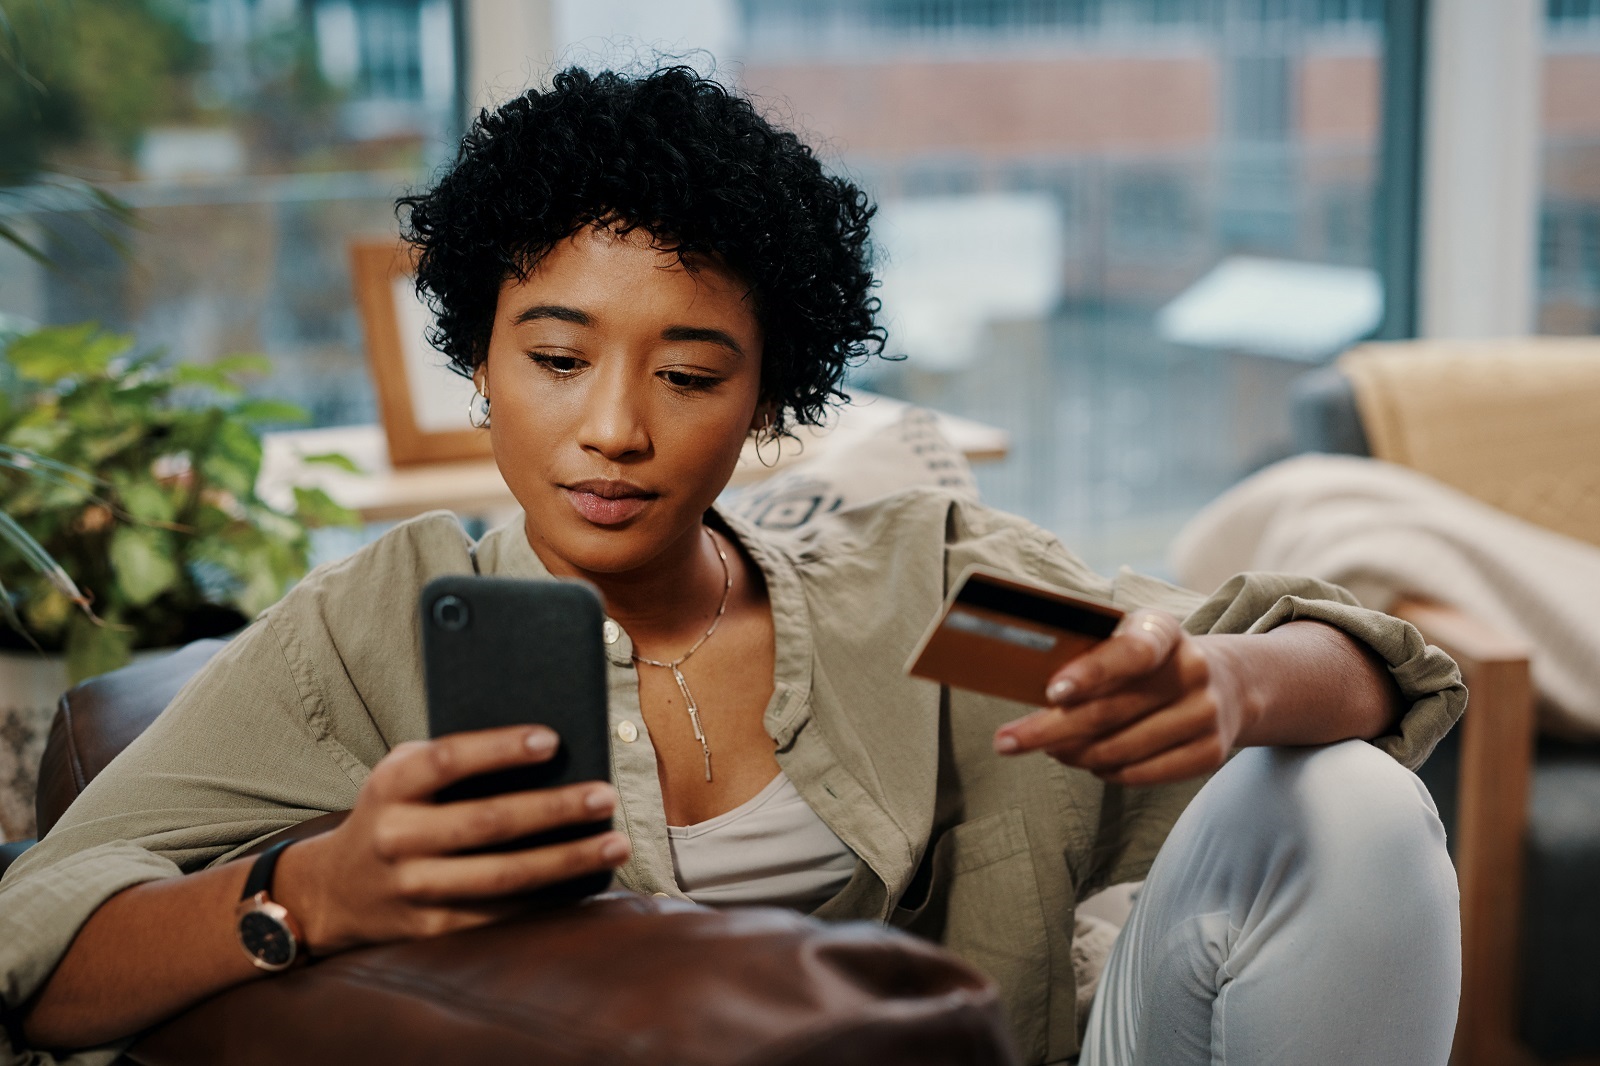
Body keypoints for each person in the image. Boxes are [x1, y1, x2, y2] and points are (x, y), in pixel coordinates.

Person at [0, 67, 1463, 1066]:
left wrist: (1223, 681)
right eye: (557, 358)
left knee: (1343, 792)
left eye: (689, 372)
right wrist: (314, 889)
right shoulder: (376, 635)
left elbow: (1352, 661)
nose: (614, 430)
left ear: (765, 400)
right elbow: (36, 941)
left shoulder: (919, 605)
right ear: (483, 365)